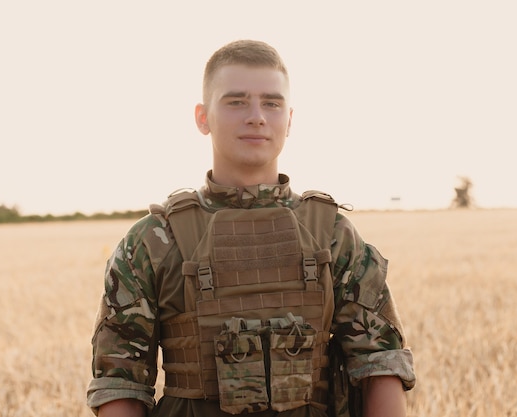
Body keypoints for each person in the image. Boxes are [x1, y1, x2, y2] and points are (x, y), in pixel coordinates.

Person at [87, 39, 416, 417]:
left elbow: (380, 364)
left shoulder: (332, 234)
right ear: (202, 117)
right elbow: (120, 382)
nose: (256, 116)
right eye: (236, 101)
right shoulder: (153, 241)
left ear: (289, 119)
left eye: (272, 103)